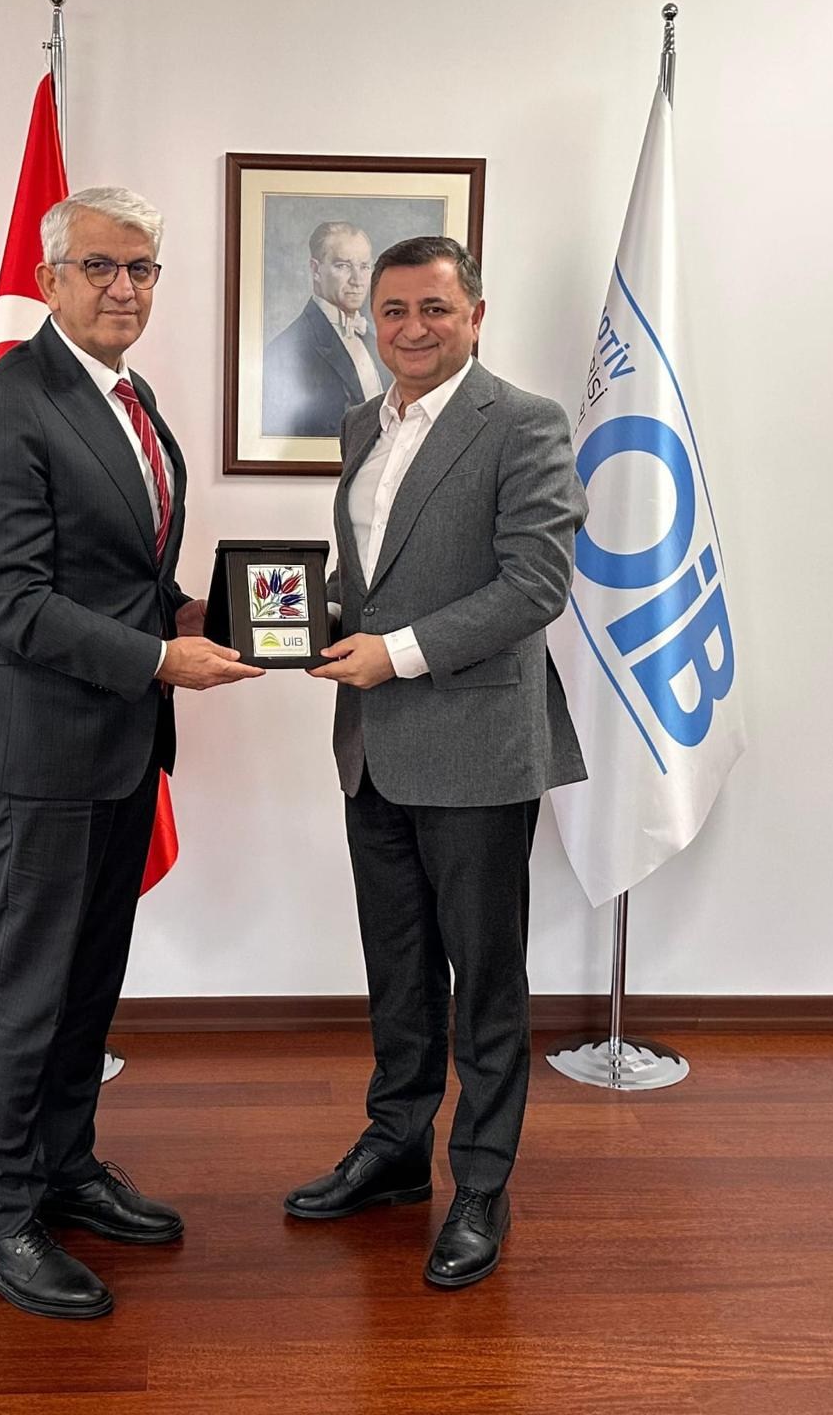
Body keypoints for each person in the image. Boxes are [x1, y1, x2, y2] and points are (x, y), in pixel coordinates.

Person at [0, 186, 262, 1319]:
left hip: (121, 739)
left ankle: (64, 1170)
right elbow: (16, 603)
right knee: (32, 988)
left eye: (141, 269)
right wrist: (160, 659)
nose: (123, 287)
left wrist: (184, 616)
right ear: (50, 279)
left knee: (89, 981)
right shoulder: (4, 407)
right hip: (37, 742)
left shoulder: (132, 397)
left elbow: (122, 573)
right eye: (99, 267)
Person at [285, 236, 587, 1290]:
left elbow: (534, 583)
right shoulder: (361, 423)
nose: (411, 327)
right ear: (370, 319)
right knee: (399, 969)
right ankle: (395, 1149)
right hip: (372, 748)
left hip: (477, 748)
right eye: (393, 310)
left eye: (434, 308)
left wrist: (396, 653)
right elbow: (369, 579)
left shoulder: (526, 424)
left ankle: (482, 1183)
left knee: (485, 979)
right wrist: (293, 620)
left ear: (475, 316)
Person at [261, 221, 390, 438]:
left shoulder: (376, 342)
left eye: (364, 267)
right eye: (343, 266)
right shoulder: (286, 351)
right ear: (315, 270)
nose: (357, 280)